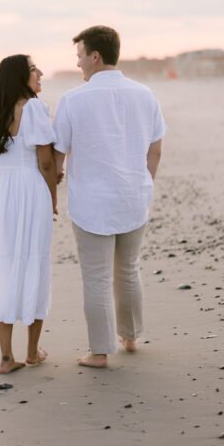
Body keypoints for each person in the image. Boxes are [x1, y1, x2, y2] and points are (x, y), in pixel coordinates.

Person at [53, 26, 166, 368]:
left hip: (92, 203)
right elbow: (156, 150)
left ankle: (100, 352)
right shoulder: (145, 94)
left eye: (79, 57)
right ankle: (130, 337)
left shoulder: (74, 99)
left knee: (97, 277)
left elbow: (57, 155)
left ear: (95, 56)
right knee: (129, 269)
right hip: (134, 197)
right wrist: (143, 184)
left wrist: (52, 190)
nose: (78, 65)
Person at [0, 54, 58, 374]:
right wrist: (52, 198)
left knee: (4, 264)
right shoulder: (34, 108)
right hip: (28, 189)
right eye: (34, 68)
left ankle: (7, 357)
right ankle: (33, 351)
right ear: (19, 76)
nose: (40, 72)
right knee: (34, 260)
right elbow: (46, 162)